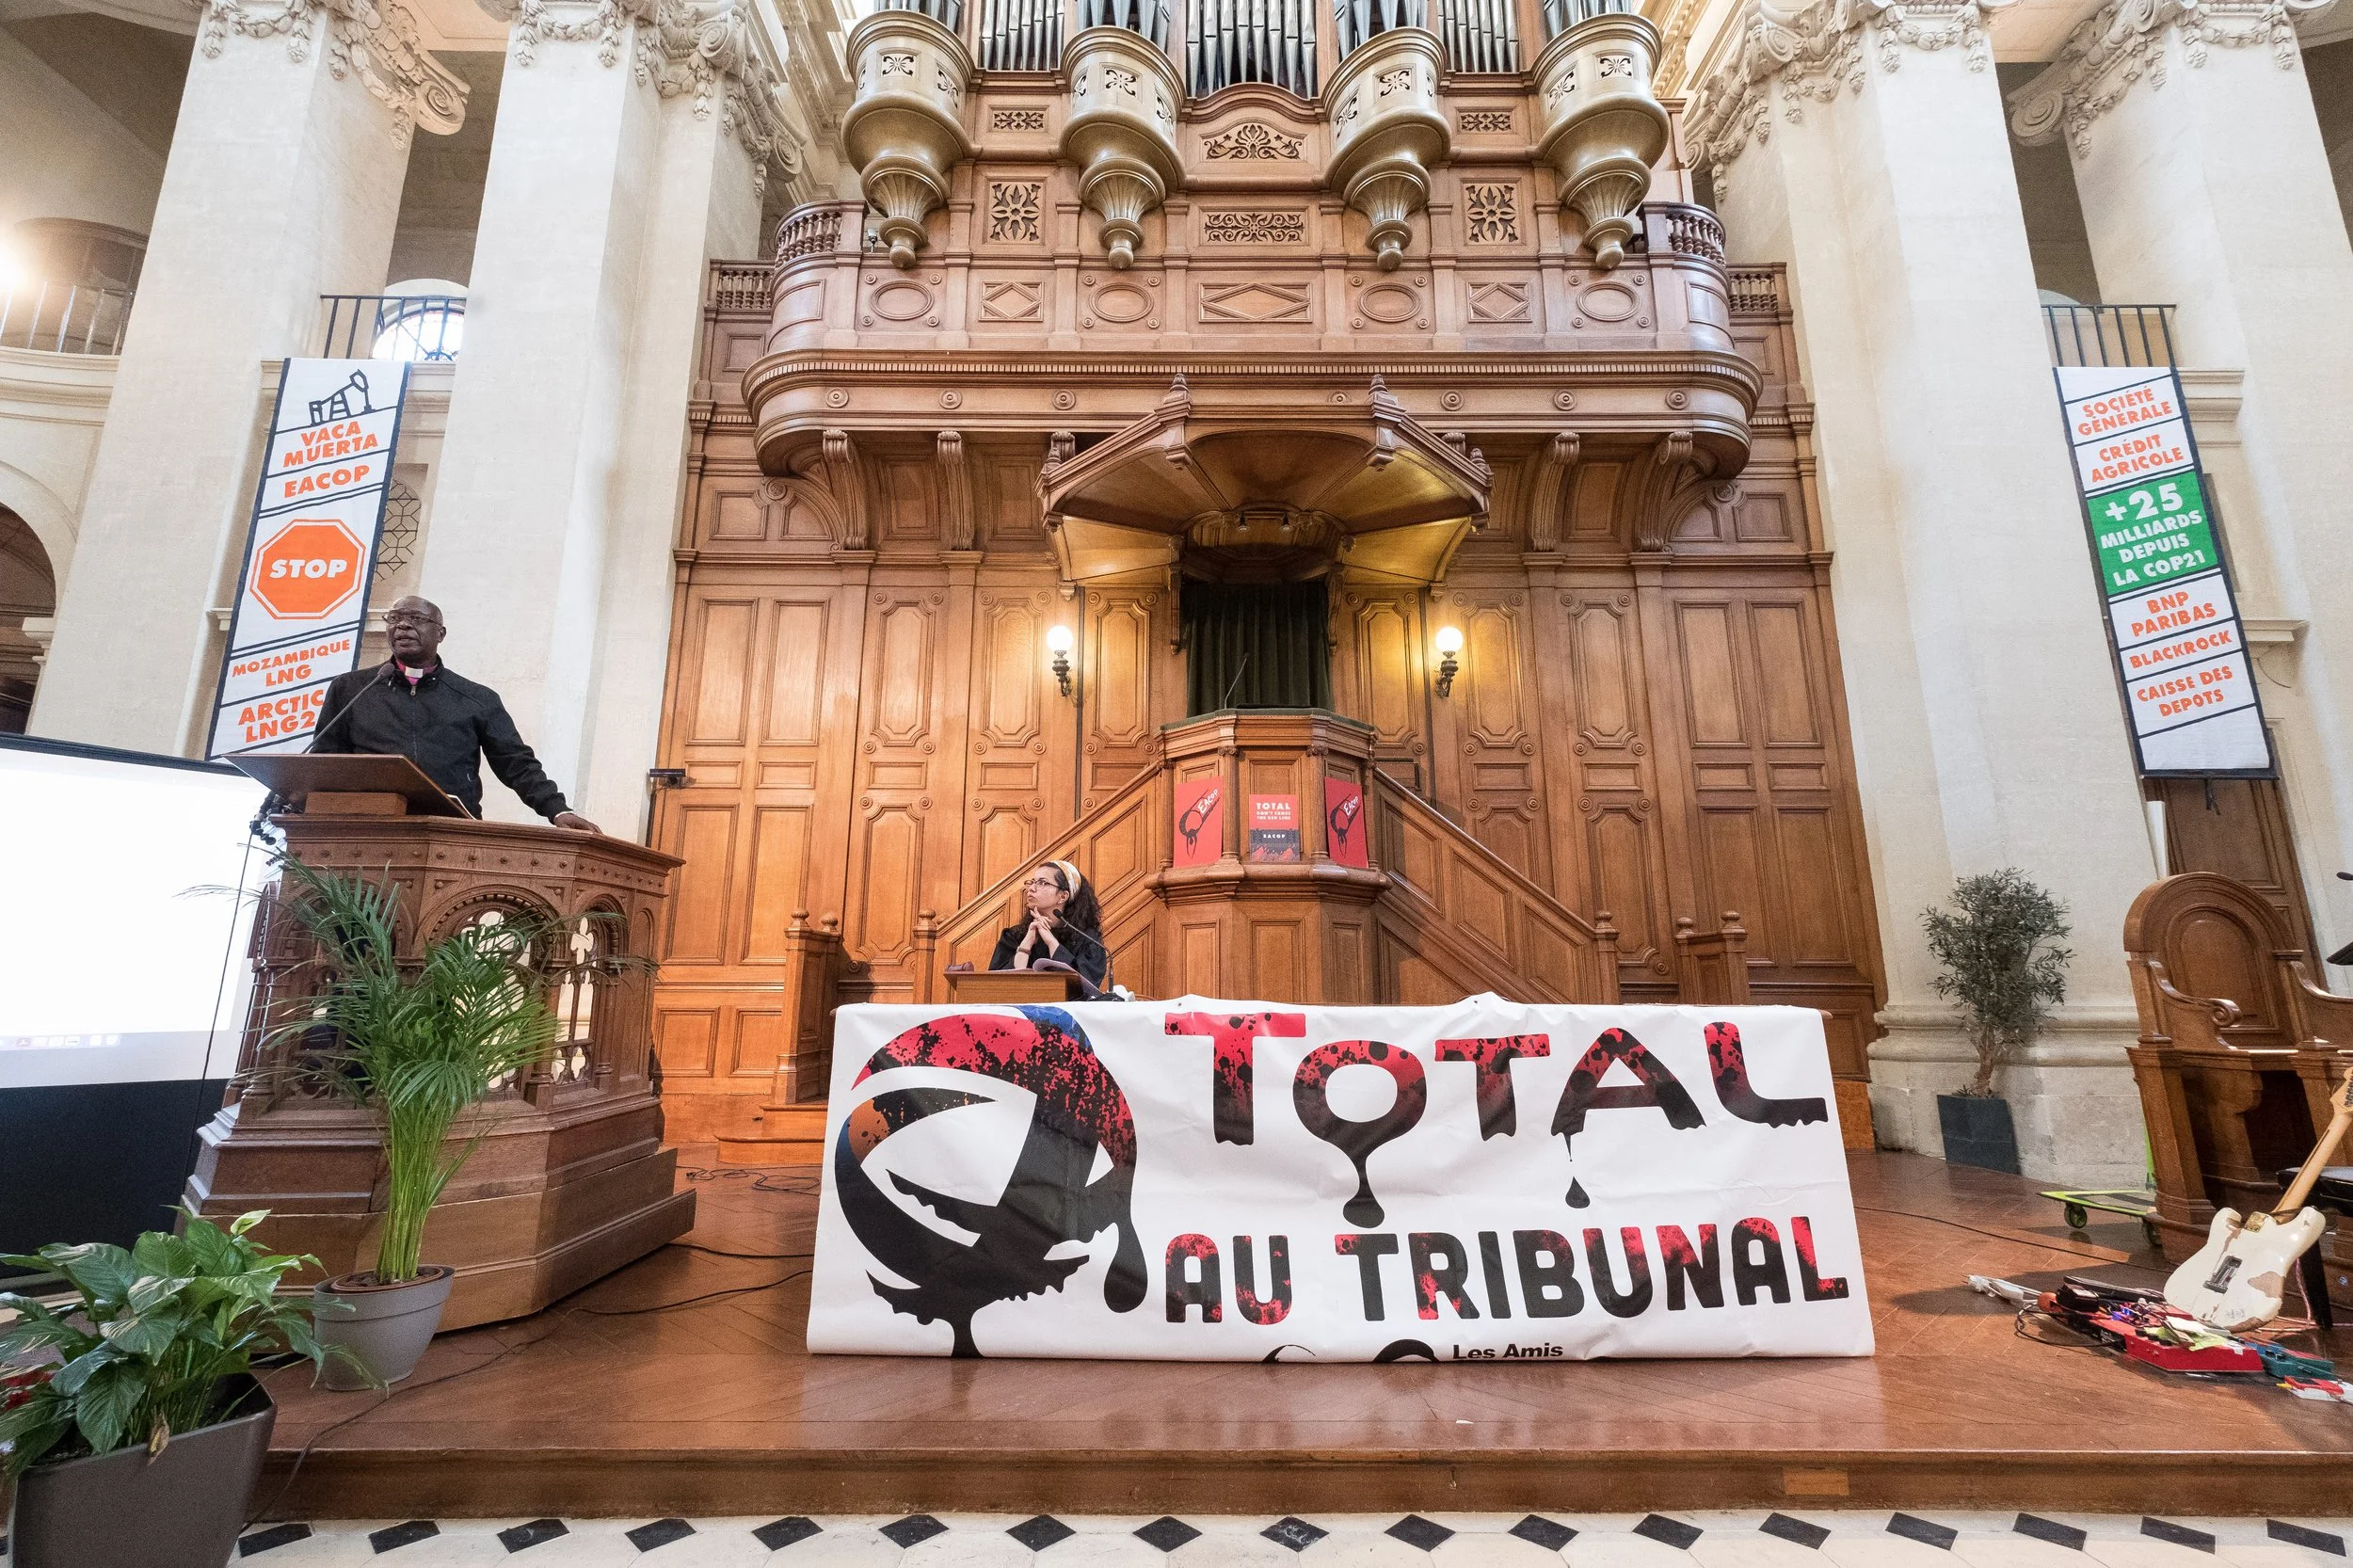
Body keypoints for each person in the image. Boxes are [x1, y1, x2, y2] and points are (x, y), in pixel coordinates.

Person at [308, 595, 600, 832]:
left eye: (417, 619)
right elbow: (326, 760)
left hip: (450, 830)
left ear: (441, 633)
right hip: (365, 828)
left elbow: (516, 764)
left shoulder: (477, 699)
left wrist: (557, 809)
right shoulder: (351, 689)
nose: (403, 627)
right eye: (394, 618)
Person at [988, 860, 1108, 991]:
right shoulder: (1015, 935)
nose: (1031, 888)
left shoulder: (1087, 939)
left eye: (1042, 883)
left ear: (1063, 896)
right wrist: (1026, 945)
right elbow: (995, 985)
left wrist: (1051, 942)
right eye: (1032, 882)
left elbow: (1084, 987)